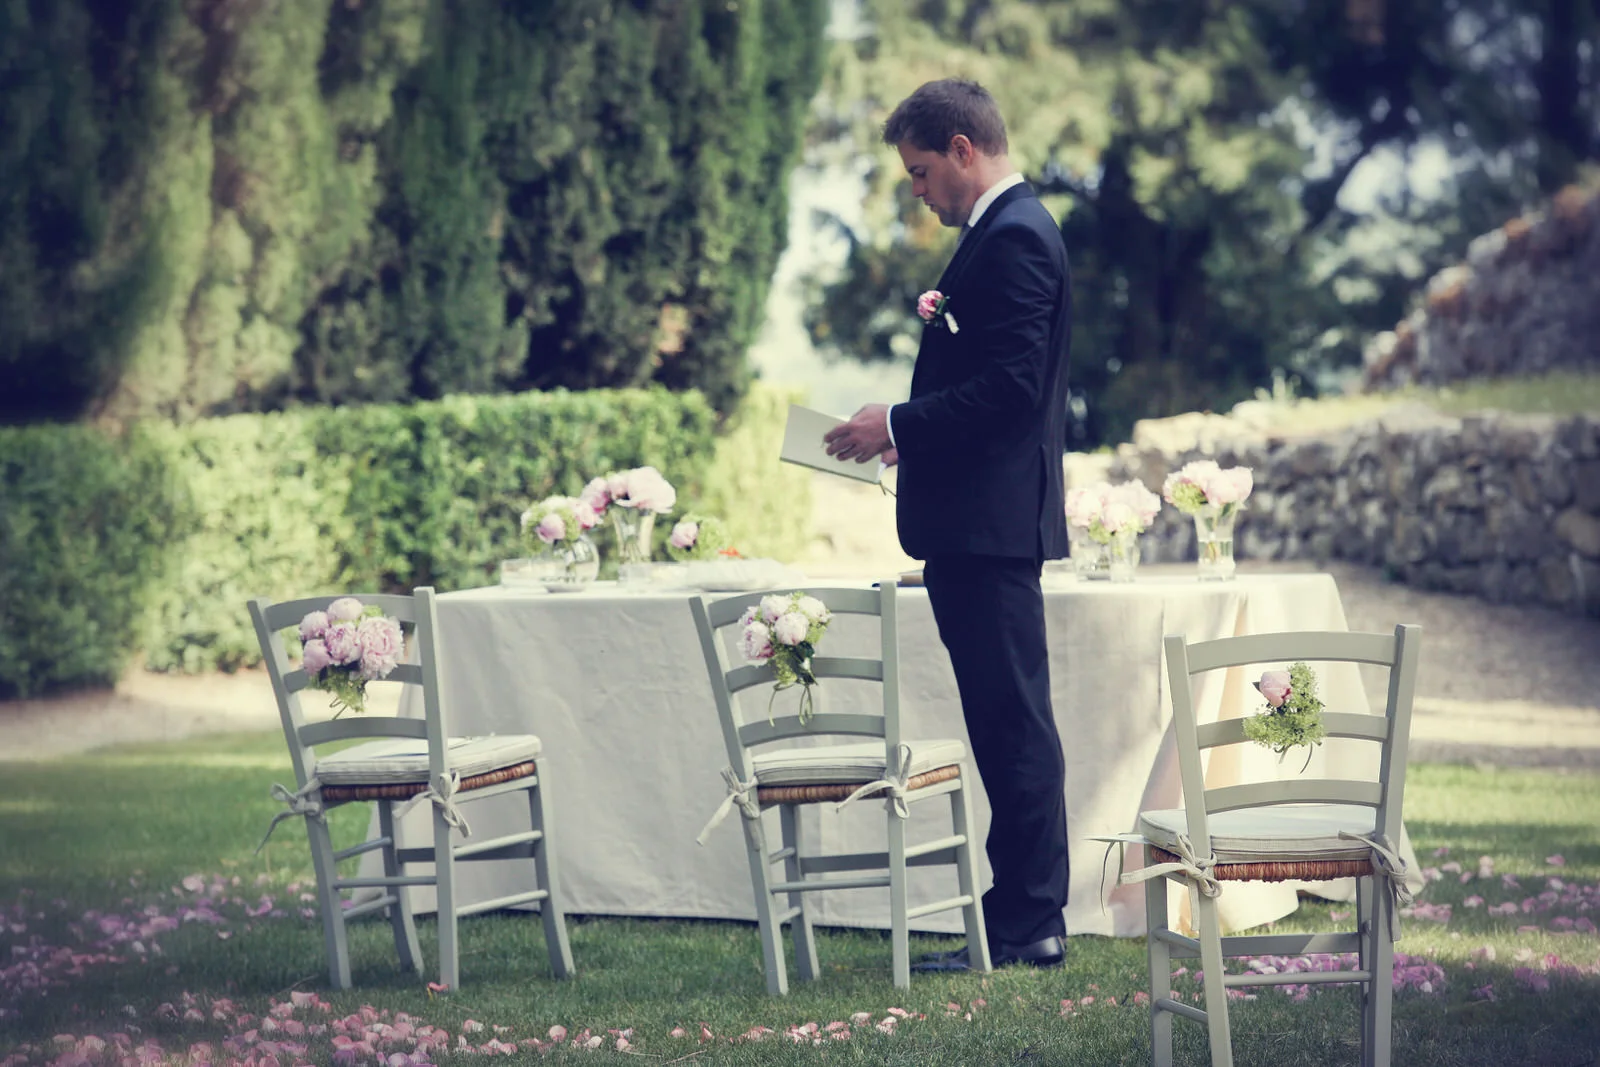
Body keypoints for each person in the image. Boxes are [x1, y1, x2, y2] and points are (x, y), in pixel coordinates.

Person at [823, 78, 1073, 971]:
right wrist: (906, 434)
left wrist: (893, 422)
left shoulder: (1017, 238)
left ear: (965, 149)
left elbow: (1008, 392)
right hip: (973, 526)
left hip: (991, 531)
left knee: (1014, 729)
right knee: (1003, 726)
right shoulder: (997, 239)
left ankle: (1029, 923)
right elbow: (984, 392)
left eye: (923, 171)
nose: (918, 190)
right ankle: (1020, 917)